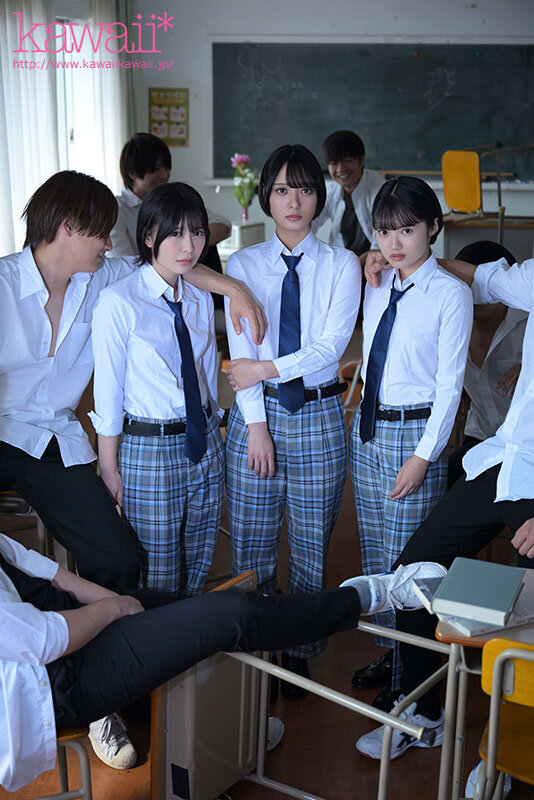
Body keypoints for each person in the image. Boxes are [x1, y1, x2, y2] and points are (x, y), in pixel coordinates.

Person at [0, 169, 266, 767]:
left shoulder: (102, 276)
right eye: (100, 232)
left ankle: (108, 685)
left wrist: (234, 289)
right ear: (68, 228)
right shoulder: (1, 286)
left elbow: (174, 264)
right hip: (0, 431)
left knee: (119, 557)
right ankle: (41, 670)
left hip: (53, 437)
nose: (108, 242)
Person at [0, 529, 446, 791]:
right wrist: (116, 609)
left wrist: (118, 602)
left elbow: (45, 571)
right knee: (230, 614)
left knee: (201, 608)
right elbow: (40, 640)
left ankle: (238, 733)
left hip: (61, 628)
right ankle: (373, 595)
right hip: (56, 680)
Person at [355, 239, 534, 762]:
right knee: (414, 571)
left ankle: (511, 751)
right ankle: (424, 713)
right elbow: (483, 276)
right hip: (506, 461)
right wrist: (401, 258)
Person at [224, 144, 361, 699]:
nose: (294, 201)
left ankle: (300, 653)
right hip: (256, 415)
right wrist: (257, 425)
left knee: (310, 546)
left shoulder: (342, 264)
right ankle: (257, 650)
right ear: (266, 198)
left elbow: (330, 348)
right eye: (282, 190)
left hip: (320, 414)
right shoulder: (241, 267)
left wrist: (265, 368)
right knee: (252, 546)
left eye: (305, 189)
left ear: (319, 197)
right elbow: (240, 352)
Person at [349, 177, 473, 713]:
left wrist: (424, 456)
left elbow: (449, 387)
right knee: (377, 556)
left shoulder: (450, 294)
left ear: (433, 227)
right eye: (384, 232)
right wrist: (367, 260)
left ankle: (413, 686)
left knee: (410, 567)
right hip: (368, 427)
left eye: (407, 229)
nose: (394, 242)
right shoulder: (378, 281)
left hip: (415, 435)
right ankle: (392, 655)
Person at [91, 182, 223, 596]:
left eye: (197, 232)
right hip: (150, 448)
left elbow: (205, 370)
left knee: (200, 558)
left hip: (204, 439)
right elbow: (108, 393)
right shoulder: (118, 301)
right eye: (175, 233)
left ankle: (192, 635)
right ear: (149, 236)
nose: (189, 245)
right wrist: (109, 467)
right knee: (158, 573)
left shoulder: (200, 295)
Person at [447, 241, 526, 487]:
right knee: (441, 486)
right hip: (482, 438)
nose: (477, 292)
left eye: (486, 284)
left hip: (525, 447)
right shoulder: (452, 324)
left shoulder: (528, 325)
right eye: (470, 283)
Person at [109, 132, 231, 259]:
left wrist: (189, 241)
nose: (164, 175)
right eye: (156, 169)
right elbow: (122, 261)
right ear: (132, 173)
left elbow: (222, 225)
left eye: (167, 167)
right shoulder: (116, 210)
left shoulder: (172, 200)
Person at [312, 129, 385, 261]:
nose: (340, 169)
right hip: (342, 260)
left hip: (374, 262)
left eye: (347, 161)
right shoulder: (330, 191)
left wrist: (353, 265)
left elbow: (380, 244)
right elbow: (311, 222)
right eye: (334, 164)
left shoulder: (379, 189)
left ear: (361, 160)